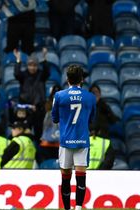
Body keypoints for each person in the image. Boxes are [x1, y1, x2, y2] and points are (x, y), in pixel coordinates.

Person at [51, 65, 97, 210]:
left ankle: (66, 209)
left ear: (67, 79)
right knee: (81, 176)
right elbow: (92, 119)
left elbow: (54, 118)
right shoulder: (90, 97)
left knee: (65, 176)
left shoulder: (59, 95)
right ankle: (78, 207)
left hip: (66, 140)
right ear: (82, 79)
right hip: (82, 139)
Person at [14, 48, 50, 143]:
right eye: (30, 65)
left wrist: (44, 58)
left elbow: (47, 72)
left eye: (34, 65)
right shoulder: (24, 75)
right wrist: (18, 60)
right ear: (27, 66)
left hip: (39, 108)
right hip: (26, 109)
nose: (32, 68)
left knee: (39, 133)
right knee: (25, 132)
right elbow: (16, 74)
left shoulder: (41, 75)